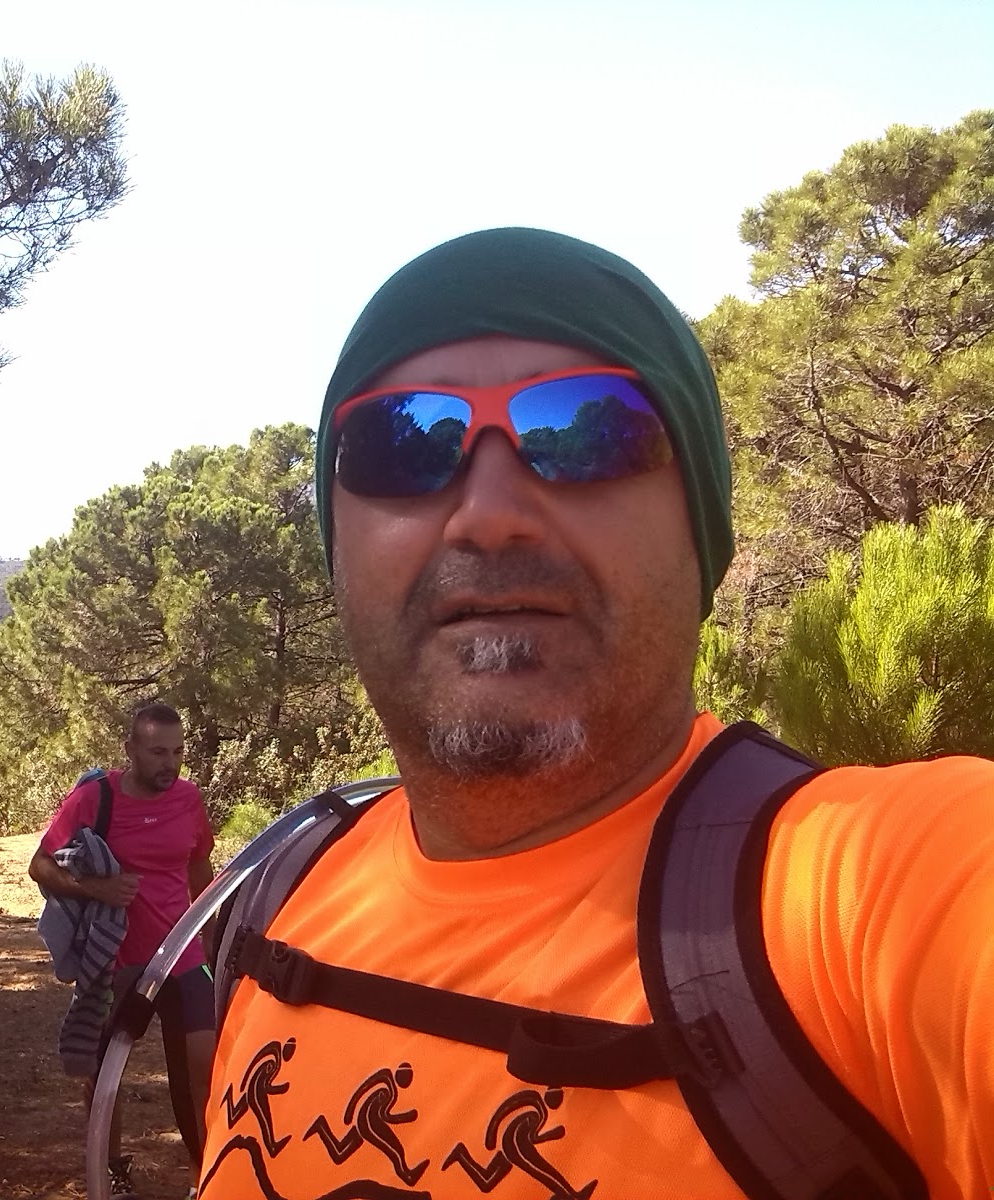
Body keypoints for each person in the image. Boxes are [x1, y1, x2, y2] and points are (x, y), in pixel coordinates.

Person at [197, 228, 994, 1199]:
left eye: (589, 429)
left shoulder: (875, 892)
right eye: (400, 443)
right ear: (338, 548)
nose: (489, 515)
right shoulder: (282, 897)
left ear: (702, 533)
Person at [31, 701, 217, 1200]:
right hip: (115, 957)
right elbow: (40, 864)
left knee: (204, 1064)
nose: (170, 763)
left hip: (182, 952)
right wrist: (95, 888)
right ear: (130, 749)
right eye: (158, 752)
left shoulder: (188, 798)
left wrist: (211, 932)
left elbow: (199, 866)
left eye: (177, 752)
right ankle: (111, 1171)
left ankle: (205, 1175)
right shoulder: (95, 798)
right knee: (104, 1075)